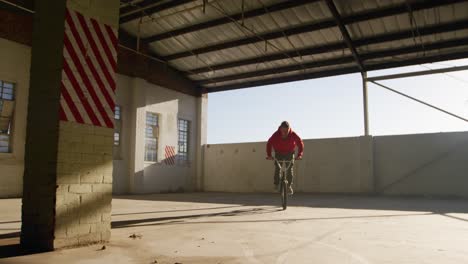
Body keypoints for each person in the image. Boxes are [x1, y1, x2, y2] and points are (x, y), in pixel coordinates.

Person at [266, 121, 304, 195]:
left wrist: (299, 155)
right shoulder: (276, 134)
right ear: (280, 129)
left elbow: (300, 143)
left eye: (286, 131)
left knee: (289, 169)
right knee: (278, 168)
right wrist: (269, 155)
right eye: (283, 131)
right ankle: (276, 185)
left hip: (289, 153)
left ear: (289, 129)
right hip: (278, 153)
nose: (284, 133)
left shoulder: (293, 134)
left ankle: (289, 186)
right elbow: (269, 143)